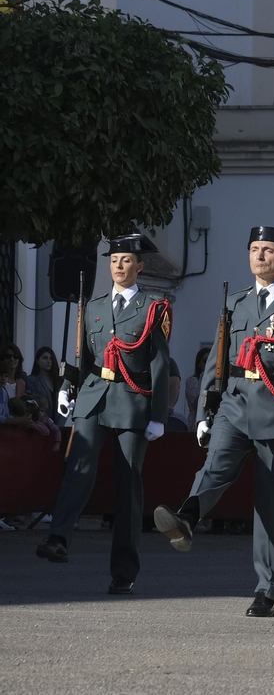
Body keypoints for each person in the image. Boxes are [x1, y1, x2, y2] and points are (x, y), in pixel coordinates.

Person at [153, 227, 274, 618]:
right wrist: (203, 413)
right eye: (254, 249)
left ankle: (268, 589)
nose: (259, 256)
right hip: (234, 403)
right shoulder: (235, 302)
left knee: (271, 501)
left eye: (268, 250)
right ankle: (187, 518)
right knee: (215, 465)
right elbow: (218, 359)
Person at [35, 234, 174, 594]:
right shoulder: (94, 306)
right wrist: (68, 388)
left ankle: (124, 570)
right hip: (94, 396)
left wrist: (158, 414)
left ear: (139, 266)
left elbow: (159, 364)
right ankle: (59, 538)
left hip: (132, 401)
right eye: (114, 260)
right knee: (78, 468)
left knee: (128, 485)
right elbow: (82, 357)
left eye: (126, 260)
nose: (118, 265)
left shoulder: (152, 309)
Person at [25, 347, 62, 420]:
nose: (48, 361)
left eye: (51, 358)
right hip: (40, 422)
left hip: (59, 423)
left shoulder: (59, 381)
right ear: (37, 361)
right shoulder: (32, 380)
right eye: (45, 358)